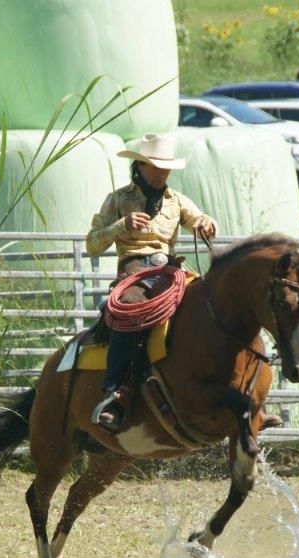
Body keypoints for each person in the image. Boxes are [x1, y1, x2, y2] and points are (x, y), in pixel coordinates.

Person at [85, 133, 218, 432]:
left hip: (170, 271)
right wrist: (121, 226)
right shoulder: (117, 200)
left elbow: (201, 219)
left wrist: (207, 223)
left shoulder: (177, 200)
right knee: (130, 309)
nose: (162, 172)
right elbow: (92, 244)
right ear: (140, 166)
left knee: (209, 303)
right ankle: (116, 392)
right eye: (156, 166)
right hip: (133, 272)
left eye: (166, 167)